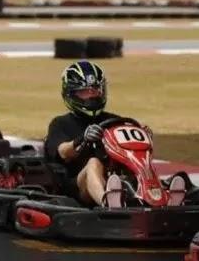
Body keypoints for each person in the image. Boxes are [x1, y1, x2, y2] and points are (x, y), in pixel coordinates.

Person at [44, 61, 184, 207]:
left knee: (137, 162)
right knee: (94, 163)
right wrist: (82, 139)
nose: (91, 96)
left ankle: (158, 198)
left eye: (95, 90)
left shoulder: (114, 120)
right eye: (84, 92)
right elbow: (63, 152)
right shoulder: (60, 123)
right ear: (70, 94)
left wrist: (143, 135)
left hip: (114, 179)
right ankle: (107, 203)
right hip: (77, 188)